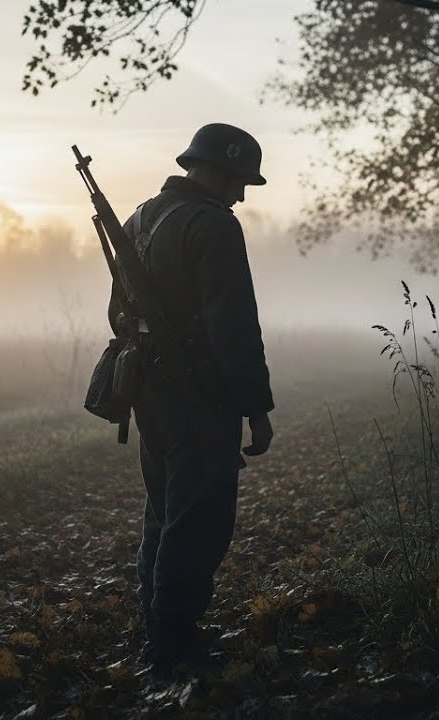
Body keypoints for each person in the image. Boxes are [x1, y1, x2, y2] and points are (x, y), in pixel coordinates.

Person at [107, 122, 275, 675]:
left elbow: (118, 315)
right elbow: (234, 326)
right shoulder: (214, 226)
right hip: (199, 396)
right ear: (217, 170)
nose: (243, 193)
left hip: (149, 392)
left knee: (163, 510)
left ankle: (157, 624)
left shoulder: (139, 219)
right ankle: (174, 641)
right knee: (198, 518)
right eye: (240, 179)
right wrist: (255, 405)